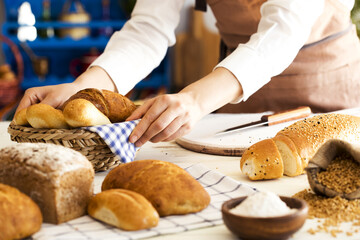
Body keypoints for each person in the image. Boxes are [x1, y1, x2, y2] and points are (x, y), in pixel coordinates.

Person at [16, 0, 360, 147]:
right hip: (233, 92)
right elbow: (148, 29)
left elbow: (283, 31)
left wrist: (195, 99)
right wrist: (83, 88)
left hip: (326, 82)